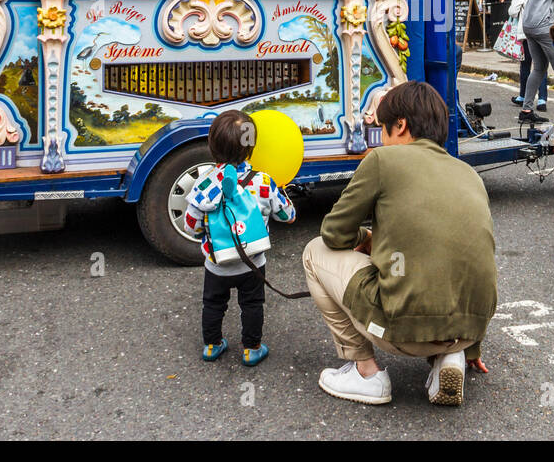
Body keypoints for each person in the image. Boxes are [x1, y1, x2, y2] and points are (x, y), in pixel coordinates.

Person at [303, 81, 497, 407]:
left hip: (403, 333)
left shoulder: (383, 160)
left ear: (401, 125)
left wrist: (366, 239)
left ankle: (366, 373)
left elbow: (334, 233)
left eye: (383, 129)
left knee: (314, 252)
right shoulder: (468, 174)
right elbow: (474, 256)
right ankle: (451, 357)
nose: (382, 138)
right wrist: (470, 343)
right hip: (468, 330)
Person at [180, 110, 296, 366]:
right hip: (252, 262)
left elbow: (191, 226)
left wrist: (207, 233)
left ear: (212, 146)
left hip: (216, 263)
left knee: (213, 304)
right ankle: (251, 349)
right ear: (251, 147)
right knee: (252, 304)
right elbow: (289, 216)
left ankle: (212, 345)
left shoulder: (204, 184)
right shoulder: (263, 182)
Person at [509, 0, 547, 111]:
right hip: (544, 30)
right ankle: (542, 99)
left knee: (525, 65)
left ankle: (523, 96)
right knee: (541, 66)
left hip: (527, 31)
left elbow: (512, 11)